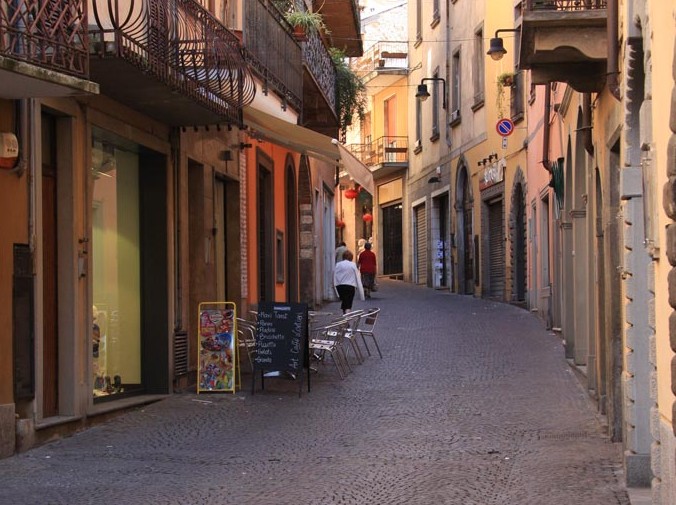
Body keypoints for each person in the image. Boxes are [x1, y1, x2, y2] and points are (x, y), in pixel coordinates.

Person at [333, 250, 364, 314]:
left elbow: (334, 276)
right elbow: (358, 278)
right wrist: (362, 294)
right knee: (348, 303)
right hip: (350, 286)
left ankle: (345, 315)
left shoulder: (338, 264)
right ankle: (346, 317)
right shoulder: (353, 265)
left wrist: (335, 286)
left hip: (340, 286)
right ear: (351, 257)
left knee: (344, 301)